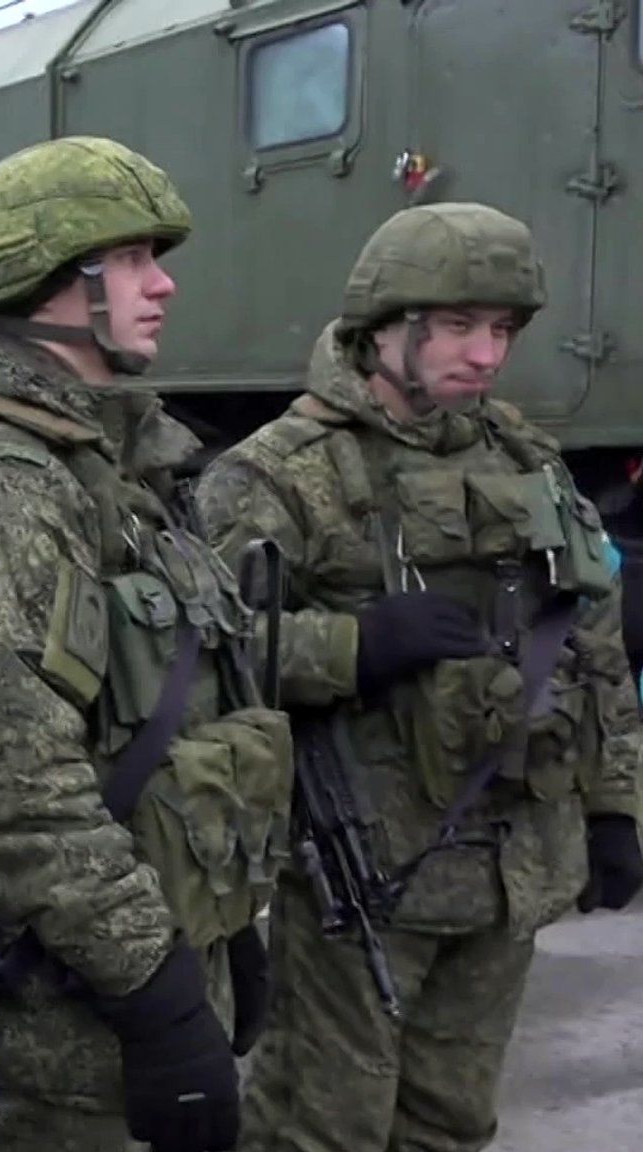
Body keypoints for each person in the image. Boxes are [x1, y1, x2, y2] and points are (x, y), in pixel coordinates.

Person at [0, 135, 289, 1152]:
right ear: (52, 281)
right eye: (132, 259)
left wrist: (221, 942)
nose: (163, 284)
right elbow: (4, 793)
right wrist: (156, 990)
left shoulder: (95, 462)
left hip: (140, 953)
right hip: (70, 1021)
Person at [195, 201, 643, 1152]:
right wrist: (352, 646)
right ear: (384, 331)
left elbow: (592, 642)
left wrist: (616, 809)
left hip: (511, 864)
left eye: (502, 331)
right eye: (456, 327)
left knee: (450, 1120)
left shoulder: (526, 458)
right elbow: (202, 659)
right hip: (364, 869)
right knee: (321, 1129)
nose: (484, 355)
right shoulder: (281, 473)